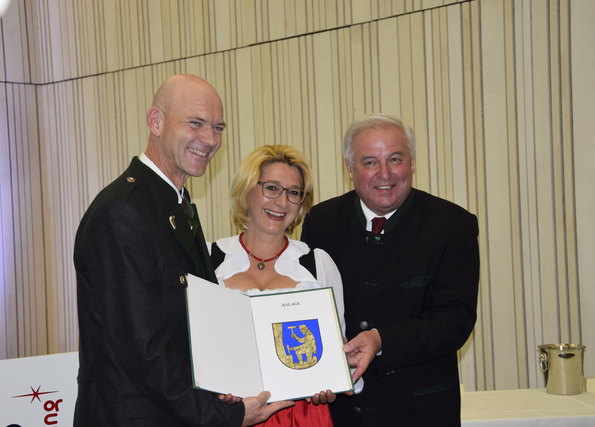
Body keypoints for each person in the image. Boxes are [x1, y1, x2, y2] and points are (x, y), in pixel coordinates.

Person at [73, 74, 293, 426]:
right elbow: (143, 348)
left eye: (218, 127)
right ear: (155, 122)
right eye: (196, 123)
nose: (209, 139)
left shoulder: (176, 205)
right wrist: (224, 415)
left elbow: (192, 327)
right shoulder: (123, 211)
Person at [301, 114, 480, 426]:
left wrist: (381, 339)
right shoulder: (321, 221)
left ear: (411, 163)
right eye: (370, 162)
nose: (384, 173)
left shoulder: (453, 225)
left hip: (420, 411)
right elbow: (309, 306)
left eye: (395, 159)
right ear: (350, 169)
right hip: (342, 412)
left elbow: (455, 321)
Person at [209, 144, 345, 426]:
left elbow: (338, 350)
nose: (281, 202)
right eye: (271, 188)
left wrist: (332, 379)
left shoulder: (317, 264)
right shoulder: (208, 259)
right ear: (247, 191)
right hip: (229, 416)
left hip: (303, 416)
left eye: (293, 193)